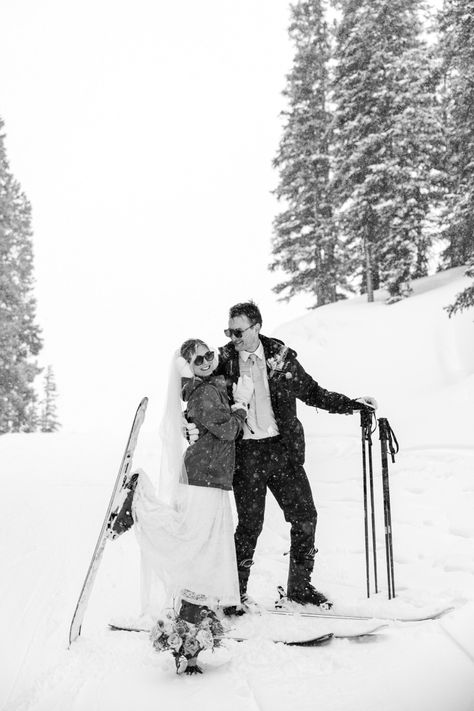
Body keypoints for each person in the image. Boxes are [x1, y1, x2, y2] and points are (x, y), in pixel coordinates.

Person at [193, 301, 377, 612]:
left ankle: (299, 589)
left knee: (305, 517)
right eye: (229, 331)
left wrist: (352, 404)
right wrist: (189, 424)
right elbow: (199, 391)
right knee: (250, 526)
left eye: (238, 331)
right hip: (246, 455)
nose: (233, 337)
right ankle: (233, 596)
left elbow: (313, 392)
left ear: (256, 328)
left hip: (282, 452)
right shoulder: (223, 361)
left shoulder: (281, 358)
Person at [113, 338, 253, 673]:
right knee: (192, 542)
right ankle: (139, 498)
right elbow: (228, 429)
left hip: (211, 476)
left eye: (208, 355)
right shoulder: (203, 392)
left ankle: (193, 619)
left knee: (198, 544)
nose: (205, 362)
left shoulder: (208, 387)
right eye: (197, 360)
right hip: (204, 475)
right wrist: (241, 405)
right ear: (188, 367)